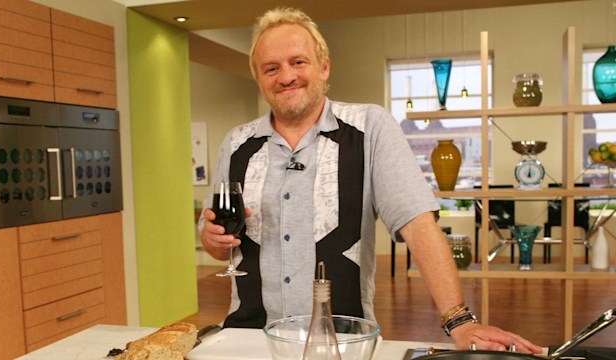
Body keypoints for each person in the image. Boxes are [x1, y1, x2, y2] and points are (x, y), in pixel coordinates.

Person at [199, 7, 541, 353]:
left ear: (324, 67)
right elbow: (215, 243)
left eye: (298, 62)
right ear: (259, 78)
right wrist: (212, 238)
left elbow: (418, 225)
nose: (286, 76)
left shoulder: (369, 128)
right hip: (249, 340)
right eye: (271, 68)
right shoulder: (236, 143)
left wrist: (460, 321)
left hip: (343, 342)